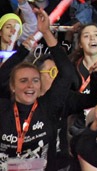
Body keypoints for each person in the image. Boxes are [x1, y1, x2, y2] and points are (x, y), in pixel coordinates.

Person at [0, 9, 74, 170]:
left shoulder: (48, 106)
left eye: (35, 80)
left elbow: (67, 73)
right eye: (23, 81)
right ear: (12, 86)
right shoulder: (3, 108)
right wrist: (23, 50)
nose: (30, 86)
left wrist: (46, 33)